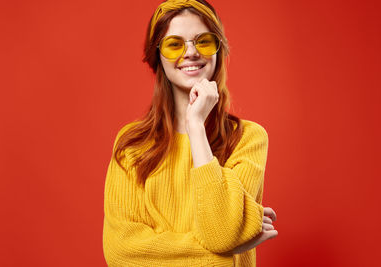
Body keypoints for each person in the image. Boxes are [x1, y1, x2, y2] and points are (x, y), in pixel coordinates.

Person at [102, 0, 278, 266]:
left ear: (218, 50)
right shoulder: (132, 144)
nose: (191, 53)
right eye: (175, 44)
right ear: (158, 57)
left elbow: (222, 232)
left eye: (203, 42)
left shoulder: (248, 139)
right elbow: (121, 251)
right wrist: (220, 257)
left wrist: (195, 126)